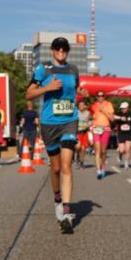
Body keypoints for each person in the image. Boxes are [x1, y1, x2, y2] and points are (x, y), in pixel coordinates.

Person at [27, 37, 89, 233]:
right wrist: (47, 88)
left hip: (69, 120)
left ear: (67, 51)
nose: (61, 51)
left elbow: (76, 89)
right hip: (49, 123)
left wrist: (82, 92)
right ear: (52, 50)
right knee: (55, 168)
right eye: (57, 48)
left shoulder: (73, 69)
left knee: (66, 165)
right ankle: (57, 198)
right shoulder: (43, 69)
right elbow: (29, 93)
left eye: (64, 48)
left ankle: (67, 213)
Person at [90, 91, 116, 179]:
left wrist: (104, 110)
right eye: (98, 96)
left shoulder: (108, 104)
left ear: (105, 96)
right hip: (96, 128)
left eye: (102, 96)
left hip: (106, 129)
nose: (100, 97)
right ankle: (98, 171)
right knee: (97, 150)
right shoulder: (93, 105)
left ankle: (103, 167)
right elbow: (90, 116)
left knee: (103, 151)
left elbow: (112, 119)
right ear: (96, 97)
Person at [115, 101, 131, 169]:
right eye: (122, 108)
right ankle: (120, 155)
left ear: (127, 108)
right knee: (122, 150)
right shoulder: (118, 114)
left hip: (128, 134)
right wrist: (120, 118)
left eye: (124, 108)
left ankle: (126, 163)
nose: (123, 109)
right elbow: (113, 116)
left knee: (128, 149)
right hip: (121, 134)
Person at [76, 98, 92, 169]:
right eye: (80, 105)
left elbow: (91, 121)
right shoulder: (76, 112)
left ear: (85, 106)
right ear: (78, 106)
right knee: (78, 147)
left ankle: (81, 162)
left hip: (85, 132)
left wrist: (88, 125)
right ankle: (77, 156)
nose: (81, 106)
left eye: (83, 105)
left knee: (83, 149)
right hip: (77, 132)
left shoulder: (88, 113)